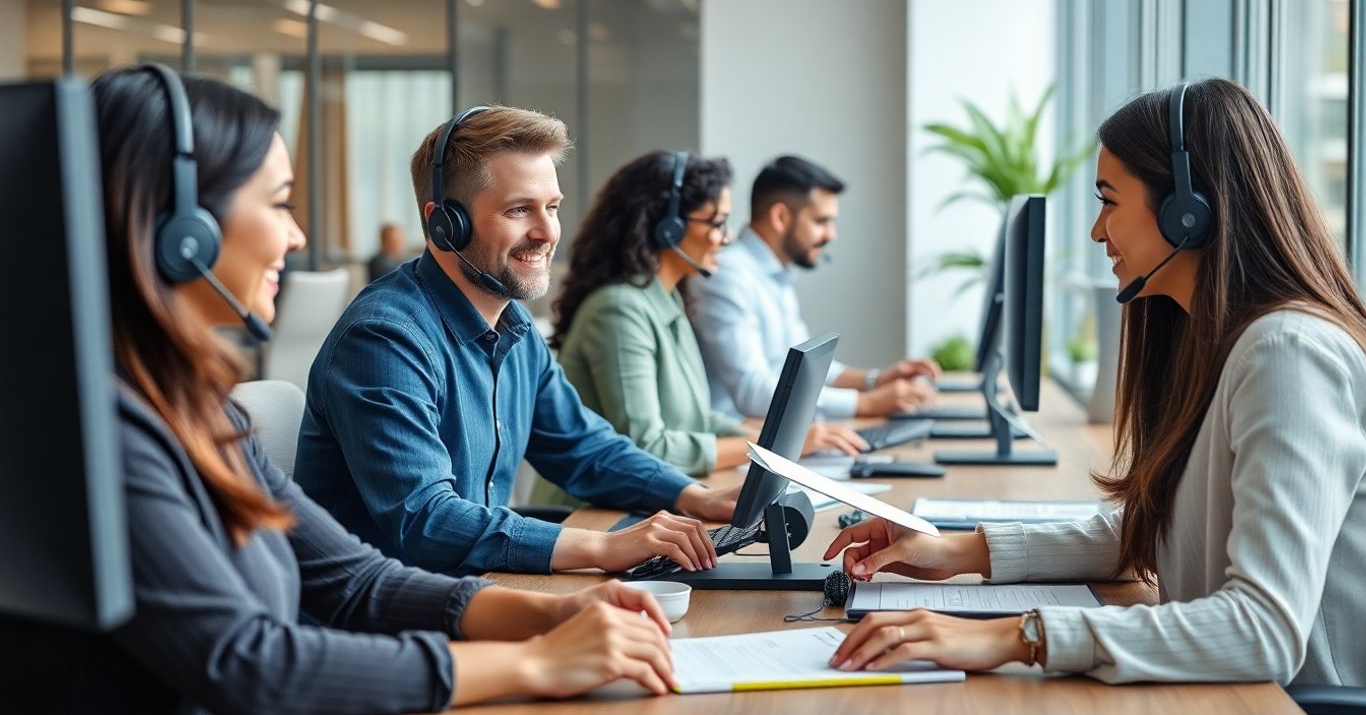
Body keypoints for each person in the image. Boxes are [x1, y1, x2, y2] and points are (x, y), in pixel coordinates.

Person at [0, 67, 682, 713]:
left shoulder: (195, 408)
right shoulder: (103, 433)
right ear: (184, 235)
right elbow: (251, 665)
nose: (297, 236)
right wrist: (537, 662)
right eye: (279, 204)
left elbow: (356, 579)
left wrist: (552, 612)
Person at [823, 78, 1366, 686]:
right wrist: (957, 551)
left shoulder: (1288, 356)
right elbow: (1158, 527)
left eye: (1109, 200)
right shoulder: (1215, 343)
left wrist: (1018, 636)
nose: (1096, 231)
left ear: (1187, 211)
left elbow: (1262, 628)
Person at [293, 107, 739, 579]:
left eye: (552, 207)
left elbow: (582, 446)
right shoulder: (384, 340)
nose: (548, 233)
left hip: (469, 592)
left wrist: (695, 497)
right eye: (519, 209)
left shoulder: (513, 325)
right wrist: (603, 547)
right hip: (388, 624)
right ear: (445, 224)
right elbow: (426, 519)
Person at [528, 152, 868, 507]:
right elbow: (649, 447)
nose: (725, 238)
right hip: (589, 515)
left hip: (650, 503)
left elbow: (695, 418)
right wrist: (769, 450)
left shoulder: (668, 299)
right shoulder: (618, 310)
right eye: (716, 223)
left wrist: (777, 442)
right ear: (668, 227)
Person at [687, 154, 940, 420]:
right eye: (821, 221)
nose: (832, 235)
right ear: (781, 217)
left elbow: (804, 371)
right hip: (743, 445)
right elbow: (753, 392)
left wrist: (876, 380)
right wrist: (866, 403)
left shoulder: (775, 274)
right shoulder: (727, 275)